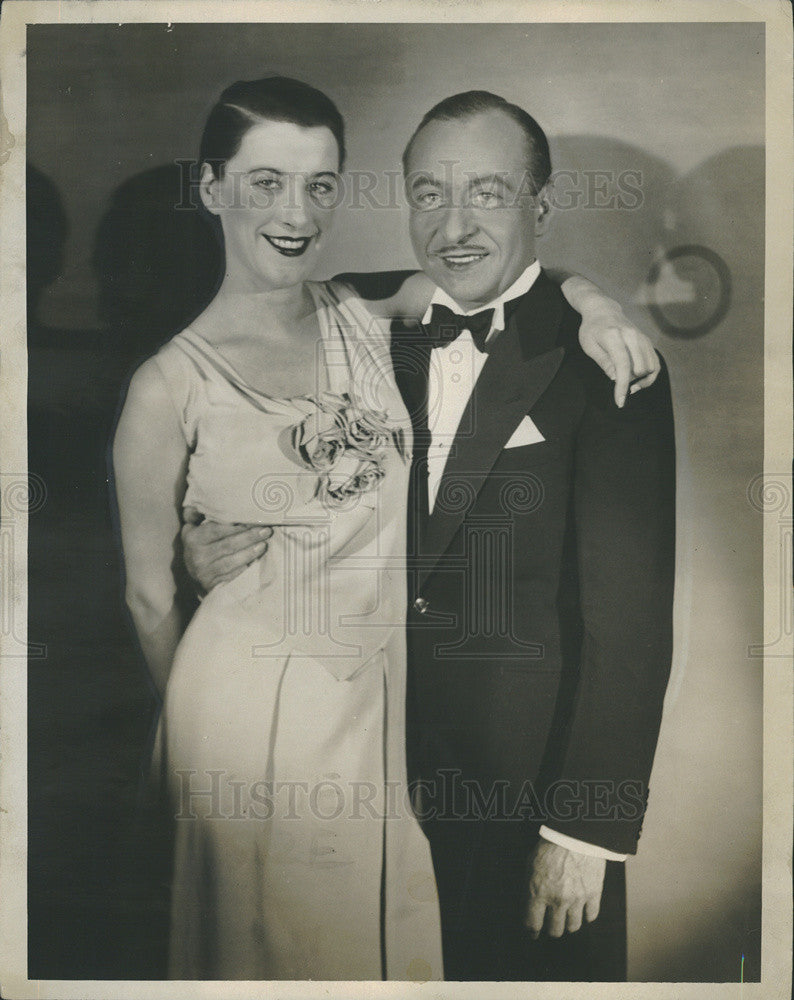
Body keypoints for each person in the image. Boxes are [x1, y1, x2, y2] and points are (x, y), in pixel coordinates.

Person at [114, 77, 661, 981]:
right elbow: (146, 591)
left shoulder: (363, 312)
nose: (296, 211)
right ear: (213, 190)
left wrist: (594, 298)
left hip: (390, 730)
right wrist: (216, 722)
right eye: (265, 183)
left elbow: (507, 286)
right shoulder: (165, 383)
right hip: (248, 720)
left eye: (321, 184)